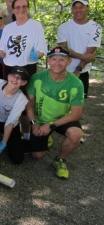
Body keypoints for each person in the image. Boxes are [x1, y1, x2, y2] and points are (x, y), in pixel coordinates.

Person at [26, 47, 84, 179]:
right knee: (37, 156)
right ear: (48, 61)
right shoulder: (37, 77)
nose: (57, 63)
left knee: (76, 134)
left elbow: (77, 114)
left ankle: (60, 160)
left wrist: (51, 125)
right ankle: (47, 136)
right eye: (53, 59)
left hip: (62, 119)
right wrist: (33, 123)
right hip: (41, 120)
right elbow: (28, 103)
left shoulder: (76, 83)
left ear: (69, 62)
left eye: (62, 59)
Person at [0, 0, 47, 141]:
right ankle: (8, 132)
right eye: (17, 7)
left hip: (27, 66)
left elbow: (41, 50)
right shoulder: (8, 28)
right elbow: (2, 51)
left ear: (28, 8)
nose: (21, 9)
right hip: (10, 67)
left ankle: (26, 133)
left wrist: (36, 55)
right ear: (12, 10)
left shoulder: (35, 26)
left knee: (26, 101)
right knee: (9, 98)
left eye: (24, 6)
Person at [57, 0, 102, 98]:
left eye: (81, 7)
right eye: (75, 7)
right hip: (62, 70)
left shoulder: (96, 27)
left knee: (78, 102)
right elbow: (64, 50)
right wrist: (83, 56)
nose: (78, 10)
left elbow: (90, 53)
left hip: (82, 71)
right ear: (72, 10)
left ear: (87, 8)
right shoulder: (63, 27)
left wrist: (78, 70)